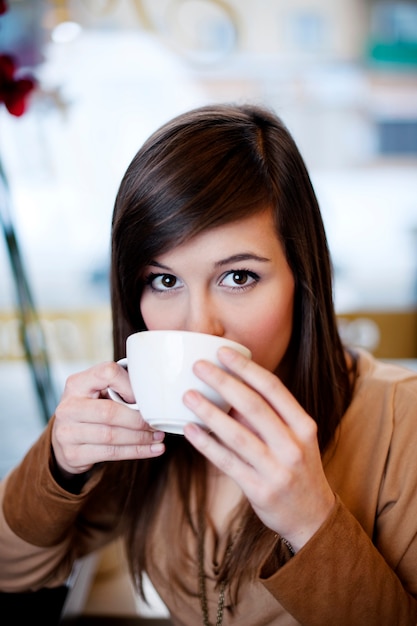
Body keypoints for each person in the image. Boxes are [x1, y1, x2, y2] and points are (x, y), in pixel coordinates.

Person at [0, 103, 416, 626]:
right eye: (165, 280)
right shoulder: (143, 424)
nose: (197, 327)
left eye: (238, 277)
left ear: (301, 277)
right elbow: (12, 571)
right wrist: (58, 464)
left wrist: (312, 521)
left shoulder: (402, 421)